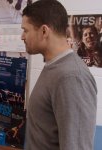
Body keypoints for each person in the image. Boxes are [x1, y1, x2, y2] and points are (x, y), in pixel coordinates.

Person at [21, 0, 97, 150]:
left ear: (44, 31)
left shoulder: (72, 77)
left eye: (26, 30)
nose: (22, 36)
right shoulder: (54, 66)